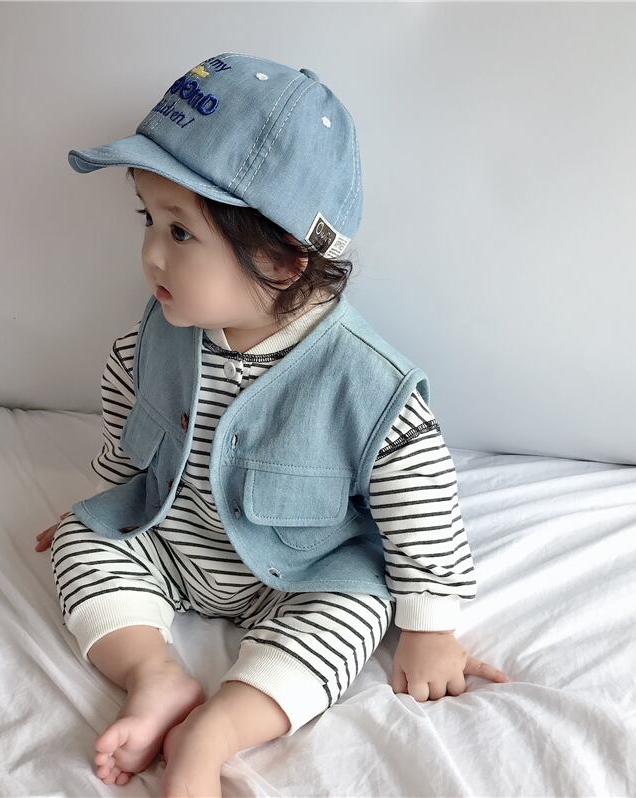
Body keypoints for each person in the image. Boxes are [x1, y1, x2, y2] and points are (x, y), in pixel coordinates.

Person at [36, 51, 509, 797]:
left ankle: (215, 732)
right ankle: (155, 678)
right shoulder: (158, 335)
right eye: (148, 218)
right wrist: (105, 506)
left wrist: (430, 627)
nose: (150, 253)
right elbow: (129, 433)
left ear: (286, 261)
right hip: (173, 540)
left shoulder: (364, 383)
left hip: (304, 574)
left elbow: (422, 503)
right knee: (79, 542)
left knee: (356, 609)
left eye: (180, 233)